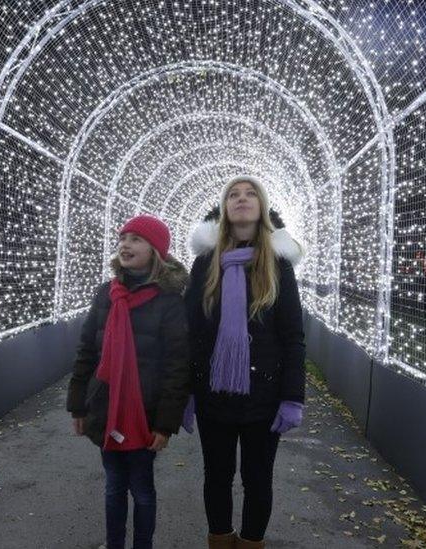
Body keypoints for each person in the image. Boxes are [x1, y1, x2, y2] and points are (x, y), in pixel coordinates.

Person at [183, 175, 306, 548]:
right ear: (224, 209)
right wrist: (184, 391)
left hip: (263, 396)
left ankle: (252, 542)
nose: (241, 199)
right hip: (213, 392)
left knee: (257, 479)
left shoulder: (277, 266)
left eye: (250, 193)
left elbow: (293, 337)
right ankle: (220, 541)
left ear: (262, 207)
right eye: (233, 195)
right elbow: (189, 332)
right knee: (216, 476)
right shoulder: (206, 263)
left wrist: (292, 397)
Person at [66, 215, 191, 549]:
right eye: (123, 237)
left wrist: (165, 424)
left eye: (136, 239)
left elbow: (179, 367)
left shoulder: (170, 302)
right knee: (113, 485)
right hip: (106, 406)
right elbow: (86, 352)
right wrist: (78, 404)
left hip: (145, 413)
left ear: (156, 250)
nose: (125, 244)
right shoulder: (105, 294)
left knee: (142, 488)